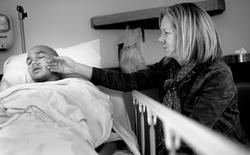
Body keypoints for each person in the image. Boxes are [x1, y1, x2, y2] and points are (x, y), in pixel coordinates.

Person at [46, 2, 250, 155]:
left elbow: (192, 136)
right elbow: (127, 81)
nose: (160, 38)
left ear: (187, 35)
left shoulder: (216, 75)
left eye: (166, 33)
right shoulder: (169, 65)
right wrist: (74, 67)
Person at [26, 45, 126, 155]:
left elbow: (108, 133)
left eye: (40, 57)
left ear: (57, 61)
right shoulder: (21, 92)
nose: (34, 63)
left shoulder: (80, 87)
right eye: (29, 62)